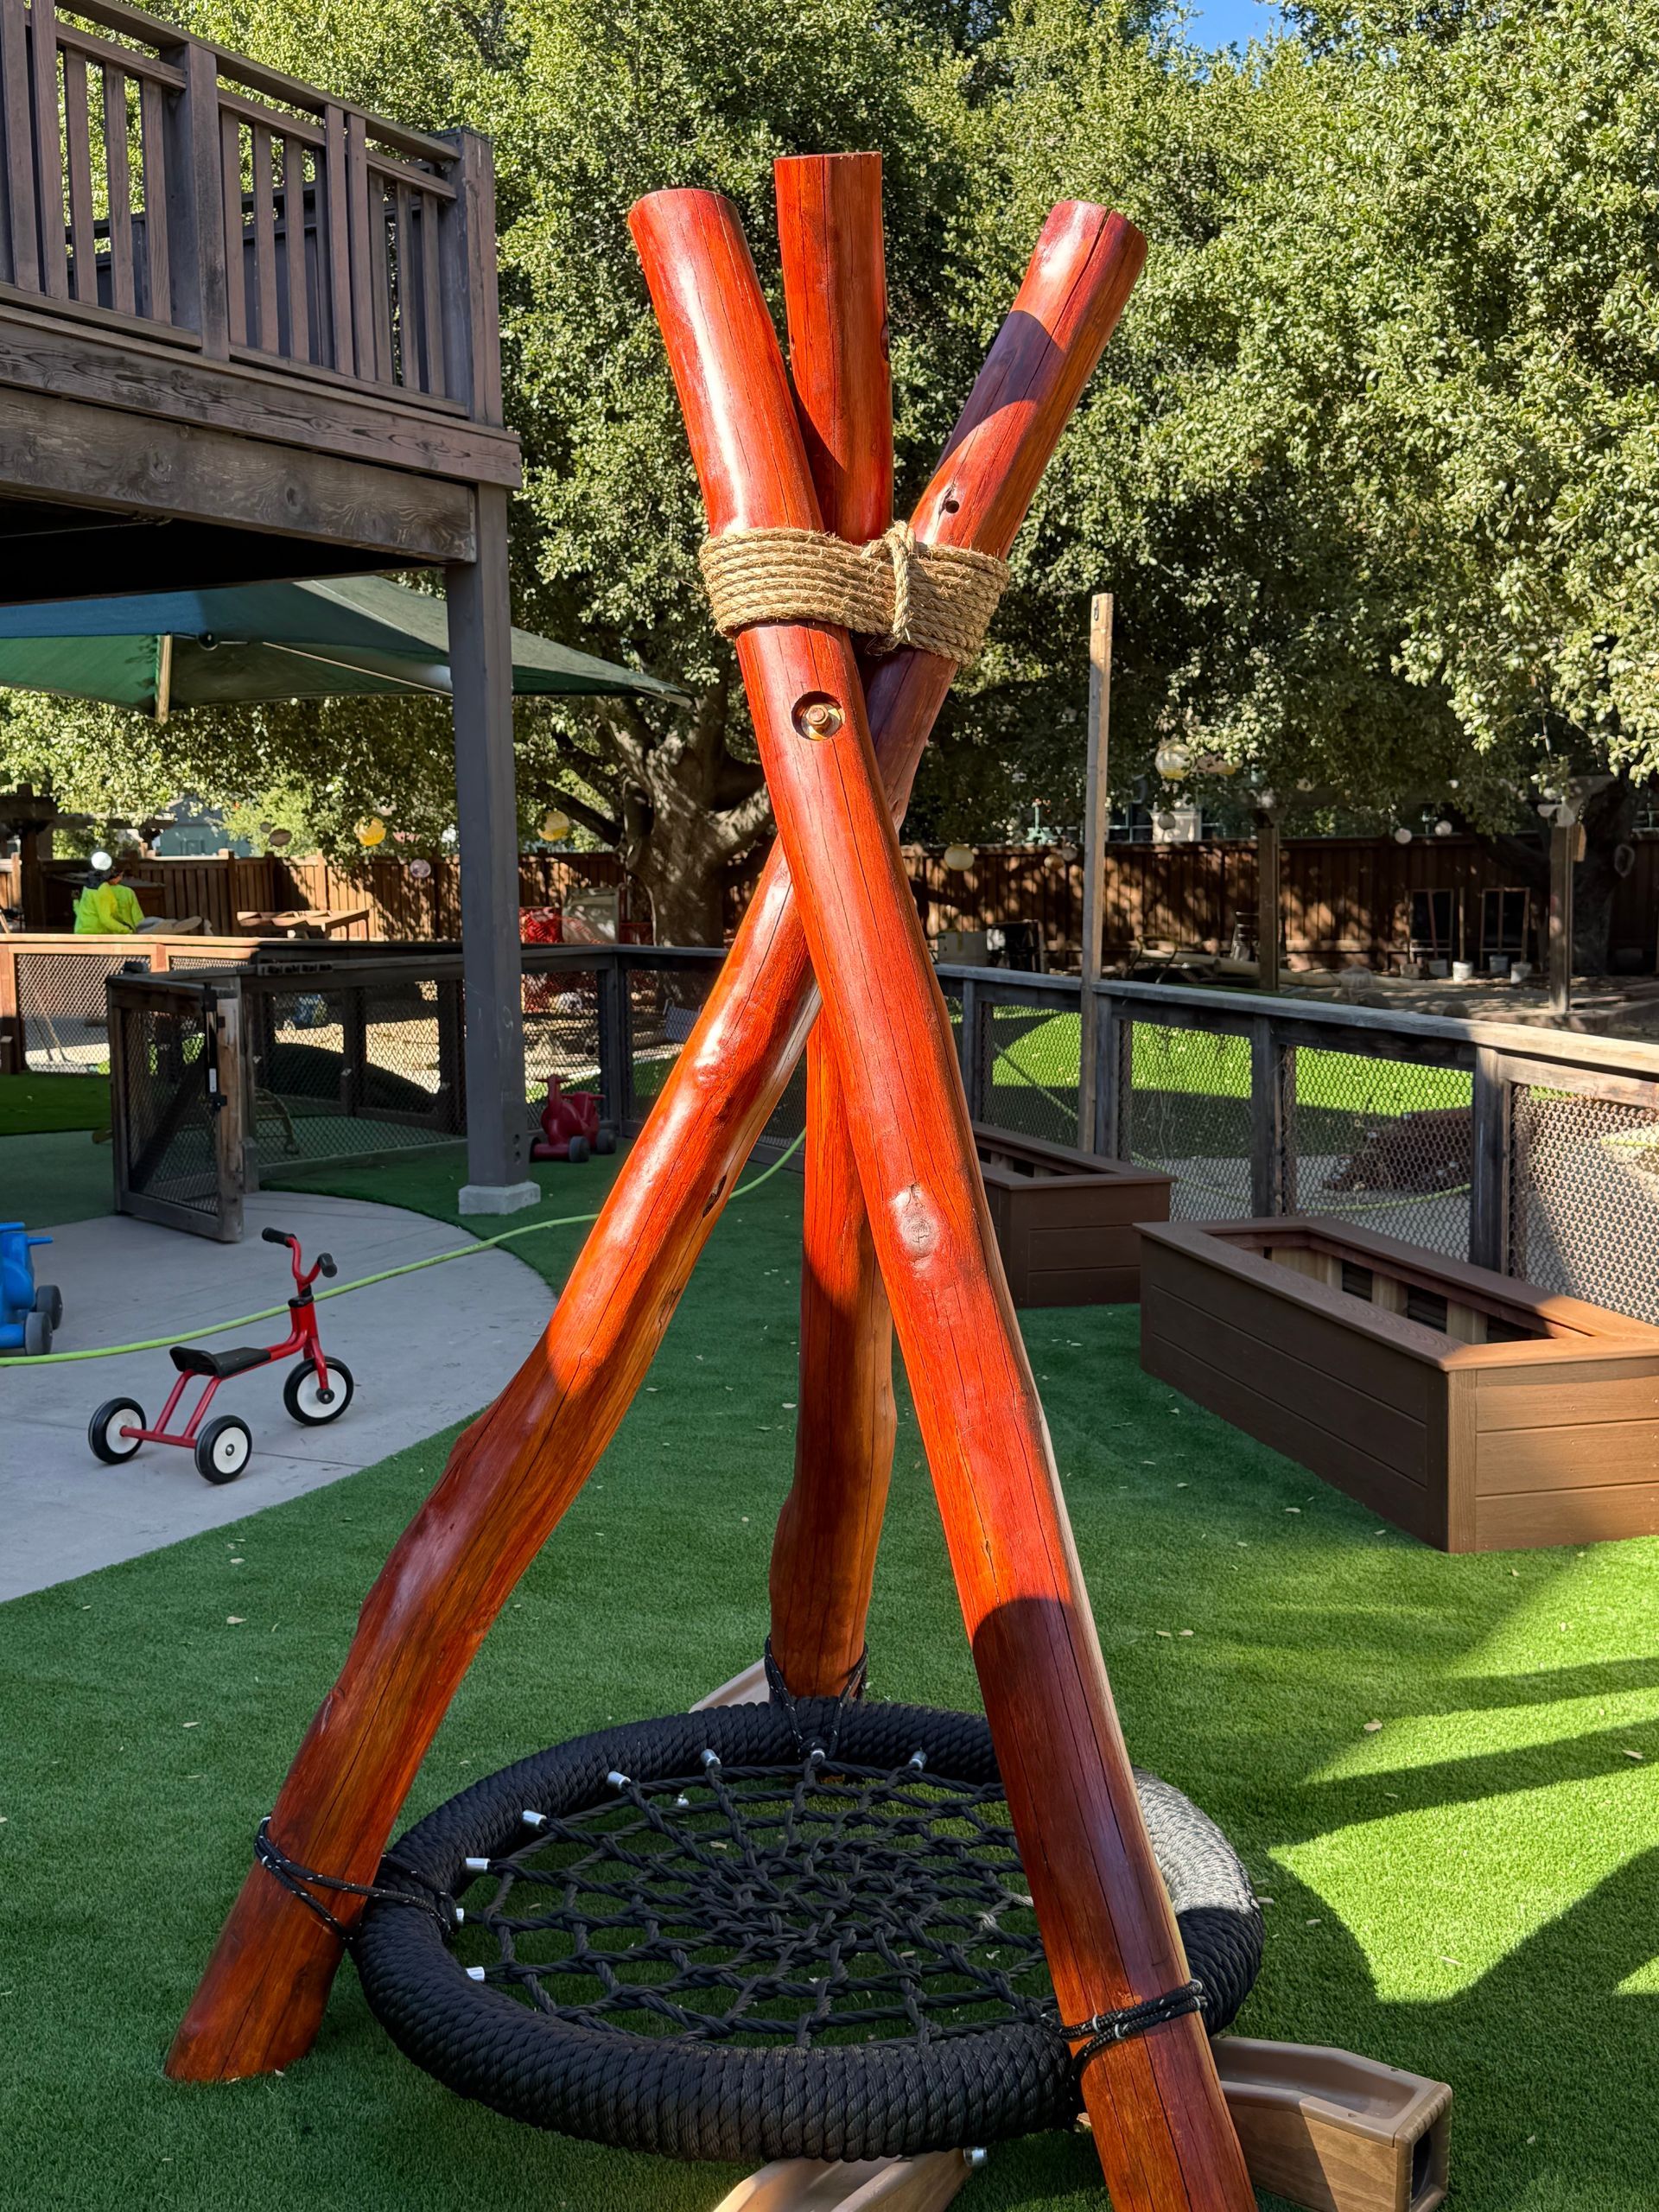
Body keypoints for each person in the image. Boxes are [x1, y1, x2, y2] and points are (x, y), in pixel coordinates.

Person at [73, 858, 162, 934]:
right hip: (116, 936)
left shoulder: (89, 887)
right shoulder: (125, 892)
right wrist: (129, 931)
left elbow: (83, 912)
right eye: (121, 875)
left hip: (89, 933)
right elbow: (138, 920)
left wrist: (75, 901)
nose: (121, 878)